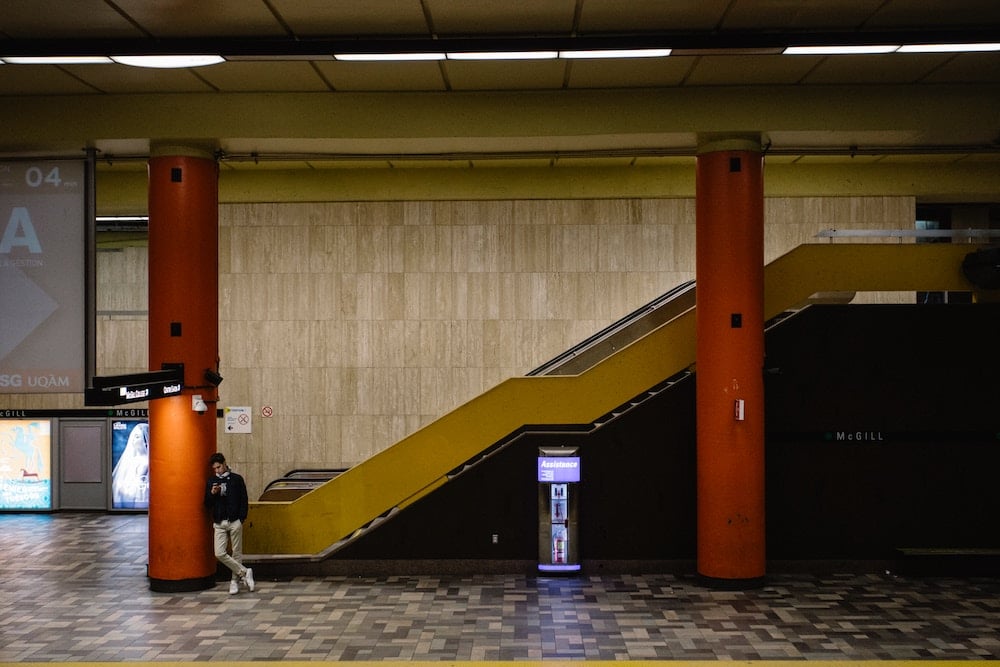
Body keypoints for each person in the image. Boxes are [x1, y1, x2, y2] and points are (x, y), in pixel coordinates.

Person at [204, 452, 255, 594]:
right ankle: (244, 572)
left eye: (219, 467)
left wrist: (241, 518)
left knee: (236, 552)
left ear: (225, 464)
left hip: (234, 520)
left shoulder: (236, 479)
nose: (217, 471)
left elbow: (243, 500)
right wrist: (212, 493)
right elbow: (207, 503)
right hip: (219, 521)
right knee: (219, 553)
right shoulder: (211, 481)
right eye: (214, 469)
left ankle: (234, 581)